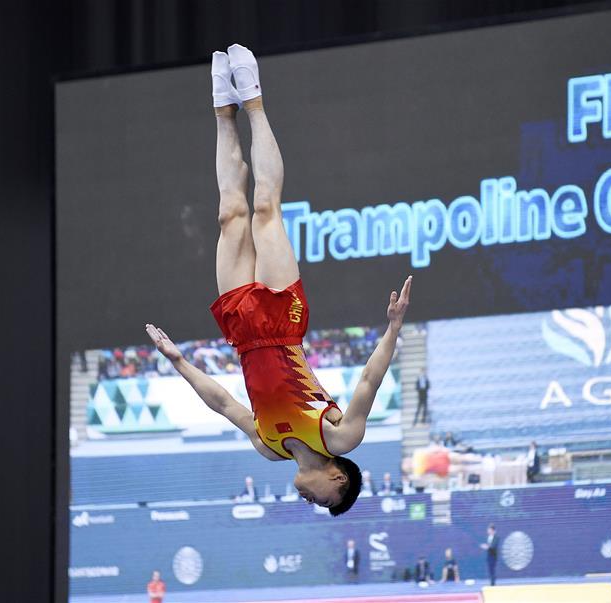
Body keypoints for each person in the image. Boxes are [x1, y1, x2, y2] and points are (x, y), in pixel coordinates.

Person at [146, 44, 412, 517]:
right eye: (328, 502)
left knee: (231, 214)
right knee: (266, 210)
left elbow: (225, 404)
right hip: (282, 324)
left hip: (243, 337)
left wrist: (180, 362)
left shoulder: (269, 446)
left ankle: (222, 109)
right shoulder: (338, 435)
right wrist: (393, 328)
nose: (314, 503)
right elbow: (370, 379)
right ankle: (253, 101)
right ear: (339, 477)